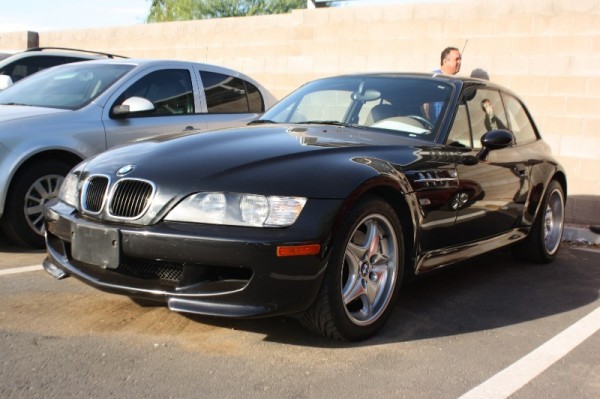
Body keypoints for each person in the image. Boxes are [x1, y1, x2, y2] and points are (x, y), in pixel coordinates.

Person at [425, 46, 462, 122]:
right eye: (457, 59)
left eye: (460, 59)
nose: (459, 62)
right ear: (445, 61)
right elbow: (425, 104)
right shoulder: (434, 79)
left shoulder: (455, 81)